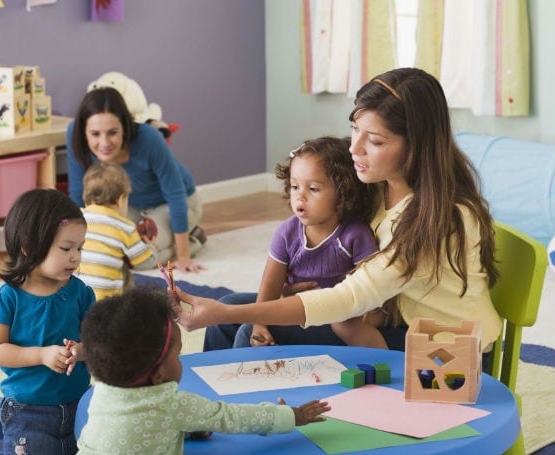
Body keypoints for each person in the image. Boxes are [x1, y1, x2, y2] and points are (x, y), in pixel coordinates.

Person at [175, 67, 502, 357]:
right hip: (388, 319)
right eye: (355, 129)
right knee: (234, 308)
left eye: (374, 140)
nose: (354, 148)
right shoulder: (375, 189)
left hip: (442, 351)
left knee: (247, 328)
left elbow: (350, 298)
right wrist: (266, 301)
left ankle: (246, 419)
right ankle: (205, 414)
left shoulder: (441, 219)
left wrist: (228, 312)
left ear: (415, 146)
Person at [77, 287, 330, 455]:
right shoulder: (171, 404)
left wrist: (186, 429)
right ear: (158, 375)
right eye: (177, 355)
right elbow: (230, 417)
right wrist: (290, 416)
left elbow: (137, 426)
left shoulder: (103, 389)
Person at [204, 136, 386, 351]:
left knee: (246, 333)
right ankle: (209, 377)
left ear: (343, 193)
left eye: (313, 189)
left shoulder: (355, 235)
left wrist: (367, 318)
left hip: (334, 316)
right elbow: (270, 285)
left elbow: (374, 290)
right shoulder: (287, 233)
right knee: (226, 306)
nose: (300, 196)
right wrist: (260, 322)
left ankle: (241, 382)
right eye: (294, 186)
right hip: (294, 304)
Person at [0, 189, 95, 455]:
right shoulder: (7, 298)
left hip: (81, 403)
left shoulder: (81, 293)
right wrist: (42, 355)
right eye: (66, 248)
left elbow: (98, 341)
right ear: (29, 247)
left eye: (80, 248)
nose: (75, 256)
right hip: (28, 413)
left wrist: (79, 351)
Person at [67, 86, 206, 273]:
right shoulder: (73, 135)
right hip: (127, 206)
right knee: (111, 248)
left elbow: (175, 194)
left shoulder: (149, 138)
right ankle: (175, 239)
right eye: (95, 134)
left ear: (124, 127)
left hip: (175, 203)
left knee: (139, 253)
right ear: (84, 132)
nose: (104, 143)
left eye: (112, 132)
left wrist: (183, 256)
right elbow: (77, 194)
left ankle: (192, 241)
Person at [79, 162, 155, 300]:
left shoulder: (76, 218)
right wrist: (150, 246)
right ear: (121, 200)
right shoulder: (125, 227)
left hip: (75, 299)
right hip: (107, 304)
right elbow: (145, 263)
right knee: (125, 272)